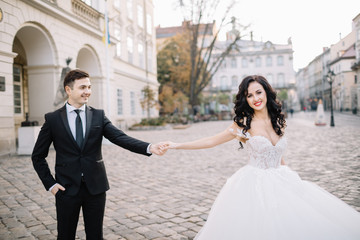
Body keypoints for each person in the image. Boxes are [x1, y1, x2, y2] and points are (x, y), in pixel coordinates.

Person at [164, 75, 360, 240]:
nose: (255, 98)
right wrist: (176, 145)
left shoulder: (279, 121)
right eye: (249, 95)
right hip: (254, 184)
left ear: (266, 92)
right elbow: (210, 141)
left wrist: (291, 177)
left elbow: (278, 155)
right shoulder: (243, 125)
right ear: (245, 99)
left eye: (258, 92)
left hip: (283, 179)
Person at [31, 69, 167, 239]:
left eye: (89, 87)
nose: (87, 91)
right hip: (66, 189)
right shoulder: (53, 119)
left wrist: (149, 147)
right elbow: (37, 156)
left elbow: (120, 137)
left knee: (95, 236)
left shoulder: (98, 116)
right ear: (68, 90)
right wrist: (51, 185)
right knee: (65, 236)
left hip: (95, 188)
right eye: (82, 87)